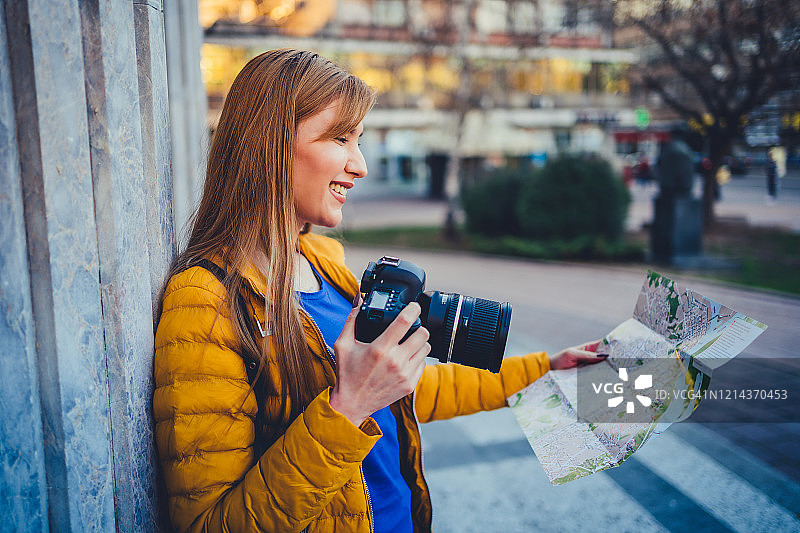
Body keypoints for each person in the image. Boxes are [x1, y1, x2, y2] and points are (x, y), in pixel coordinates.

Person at [153, 49, 606, 533]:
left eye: (359, 140)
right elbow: (208, 525)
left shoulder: (323, 262)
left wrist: (544, 370)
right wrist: (347, 409)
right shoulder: (206, 302)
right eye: (340, 138)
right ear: (270, 145)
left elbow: (402, 388)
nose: (361, 165)